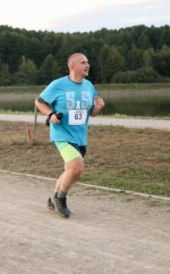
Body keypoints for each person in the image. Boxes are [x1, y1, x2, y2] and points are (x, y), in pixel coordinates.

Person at [35, 53, 105, 218]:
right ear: (72, 66)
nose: (88, 65)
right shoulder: (58, 85)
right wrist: (51, 114)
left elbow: (93, 113)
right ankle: (61, 198)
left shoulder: (89, 86)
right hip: (62, 135)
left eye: (88, 62)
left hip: (80, 137)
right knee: (77, 167)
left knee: (69, 170)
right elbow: (39, 101)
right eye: (83, 62)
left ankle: (53, 198)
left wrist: (99, 107)